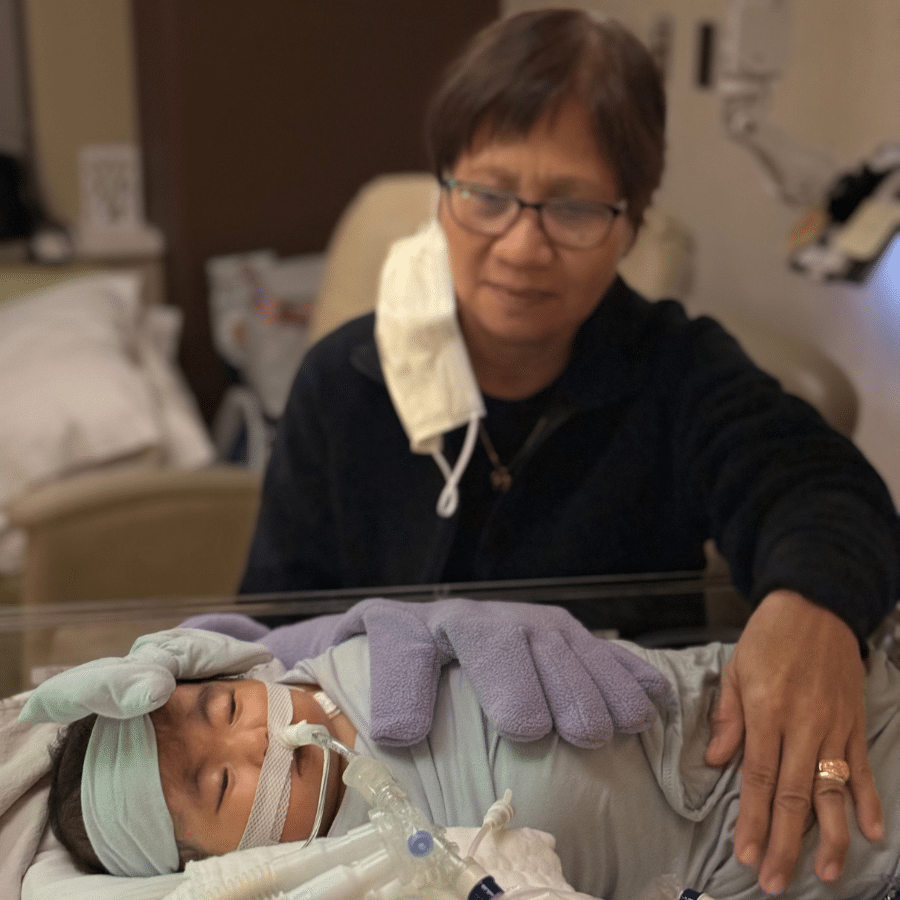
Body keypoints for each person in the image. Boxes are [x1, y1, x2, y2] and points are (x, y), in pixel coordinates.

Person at [237, 9, 900, 896]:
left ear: (631, 223)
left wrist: (814, 607)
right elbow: (272, 627)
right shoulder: (345, 381)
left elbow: (819, 485)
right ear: (443, 193)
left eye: (575, 208)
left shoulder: (675, 369)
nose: (521, 245)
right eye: (487, 194)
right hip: (378, 802)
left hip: (605, 811)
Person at [26, 617, 900, 900]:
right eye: (220, 784)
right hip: (762, 845)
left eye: (223, 709)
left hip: (733, 691)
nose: (256, 739)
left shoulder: (335, 662)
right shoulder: (368, 867)